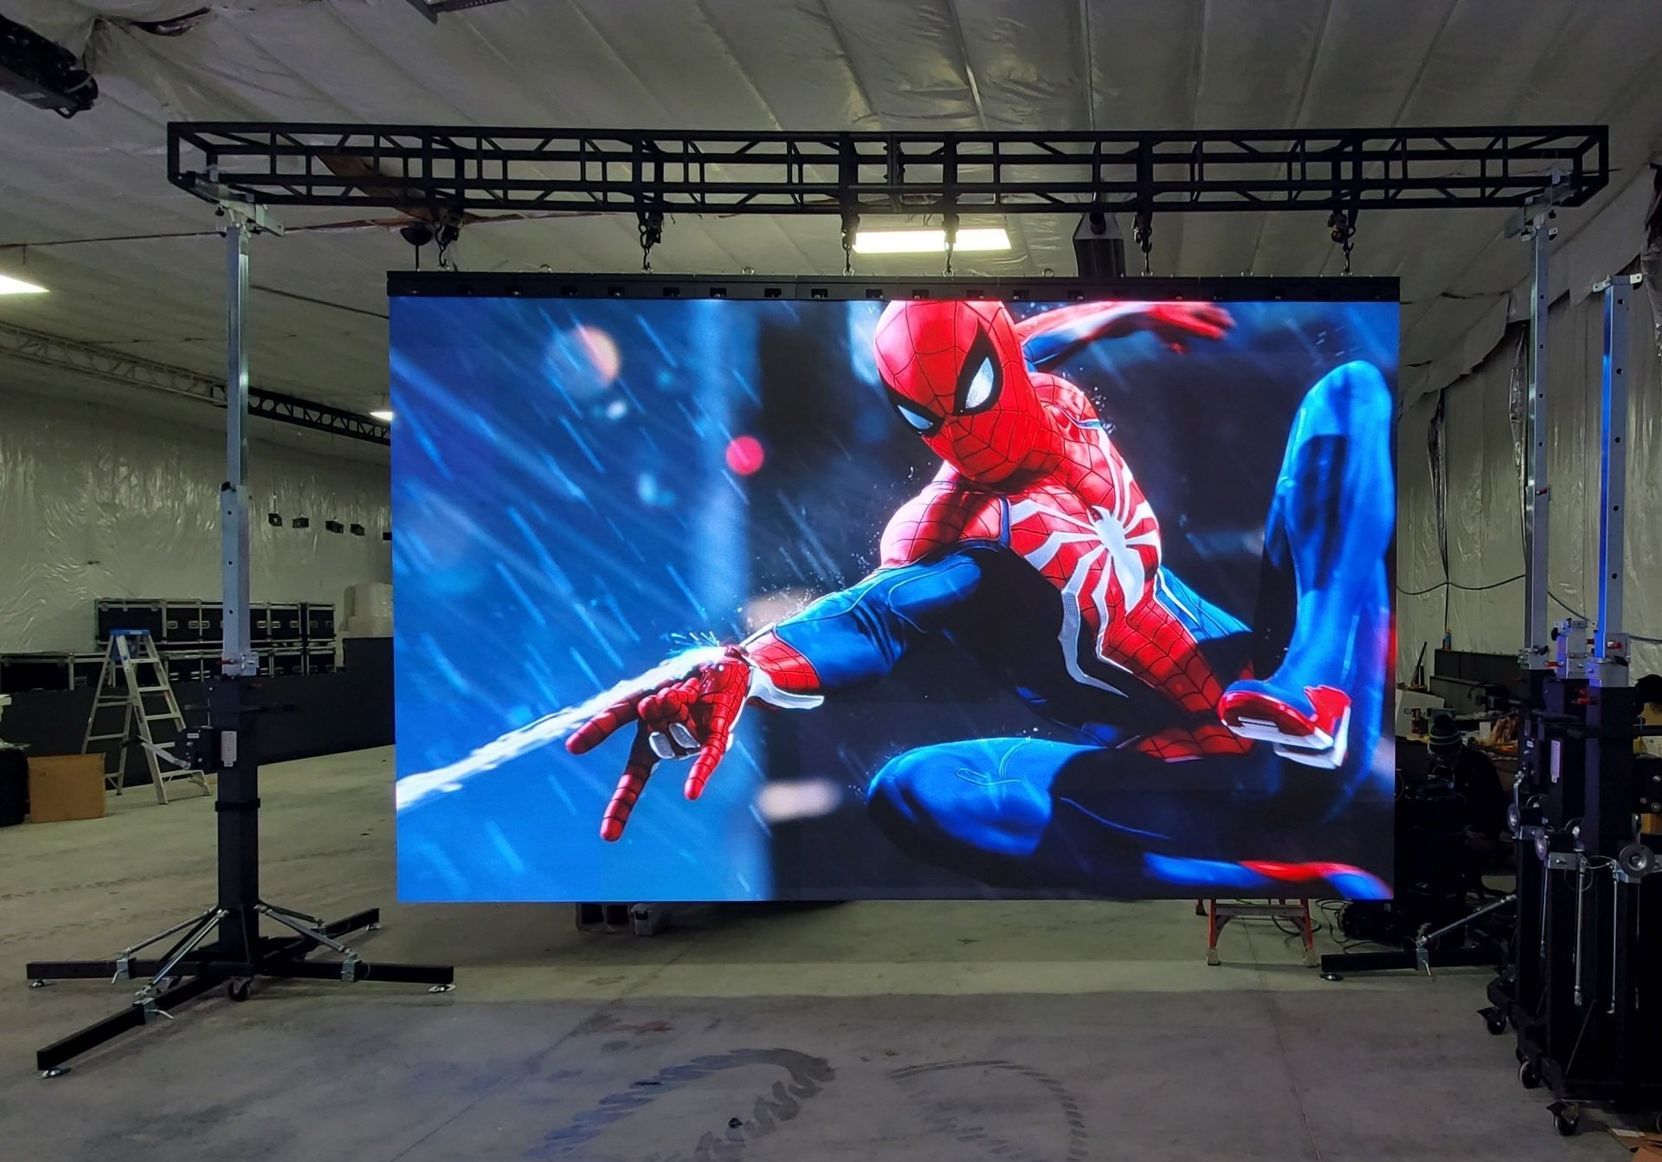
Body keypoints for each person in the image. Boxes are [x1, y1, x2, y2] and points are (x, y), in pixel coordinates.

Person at [563, 299, 1393, 898]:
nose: (960, 439)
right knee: (914, 788)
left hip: (1301, 698)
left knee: (1348, 394)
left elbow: (1022, 344)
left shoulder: (1052, 399)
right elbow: (874, 615)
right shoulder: (959, 529)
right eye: (927, 418)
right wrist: (745, 667)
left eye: (972, 398)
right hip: (1186, 787)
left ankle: (1308, 684)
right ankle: (1250, 883)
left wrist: (1122, 312)